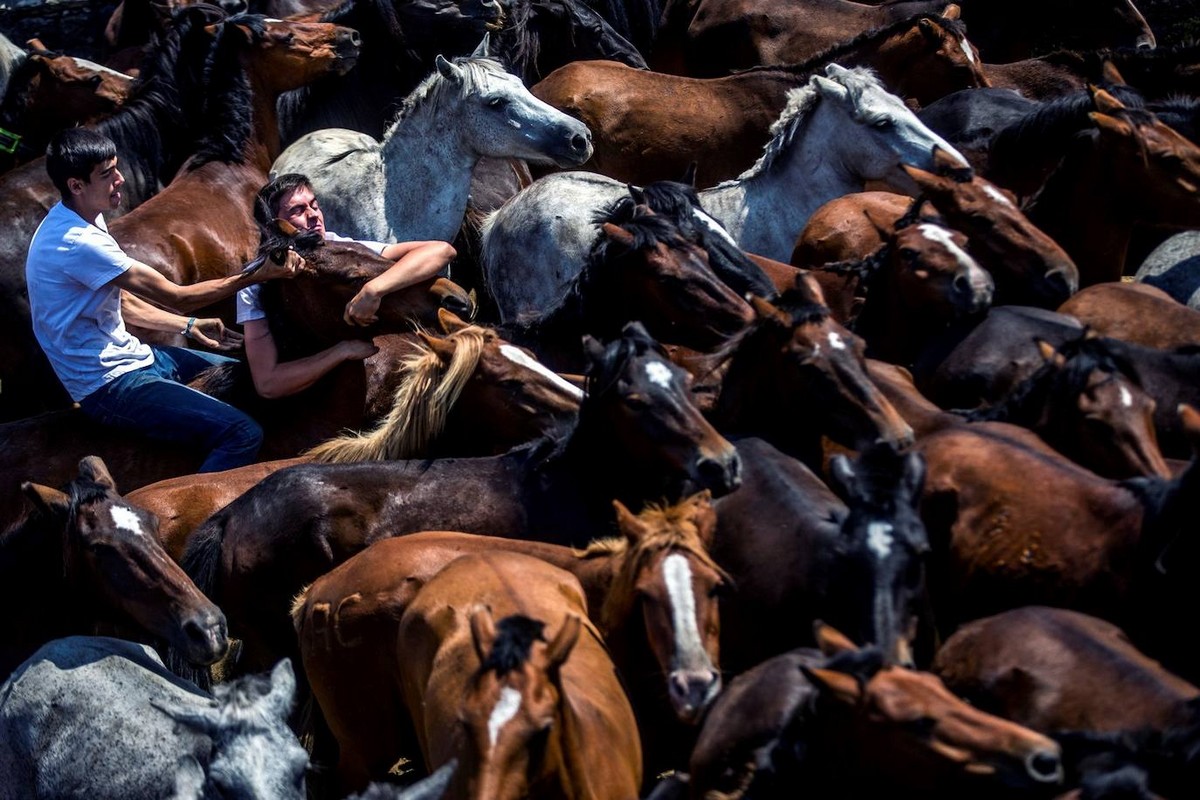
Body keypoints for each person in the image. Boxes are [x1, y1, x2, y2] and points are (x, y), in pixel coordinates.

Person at [26, 128, 299, 472]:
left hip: (137, 358)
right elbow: (178, 297)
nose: (120, 180)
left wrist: (188, 326)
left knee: (249, 378)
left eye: (117, 168)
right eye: (107, 175)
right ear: (76, 186)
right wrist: (257, 275)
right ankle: (204, 522)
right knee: (242, 433)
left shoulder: (84, 216)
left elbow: (122, 303)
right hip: (110, 385)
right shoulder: (78, 241)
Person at [236, 173, 456, 399]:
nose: (314, 216)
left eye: (315, 206)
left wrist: (374, 290)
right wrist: (342, 352)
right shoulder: (256, 284)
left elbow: (441, 251)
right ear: (275, 226)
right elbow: (268, 383)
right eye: (298, 211)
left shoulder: (339, 248)